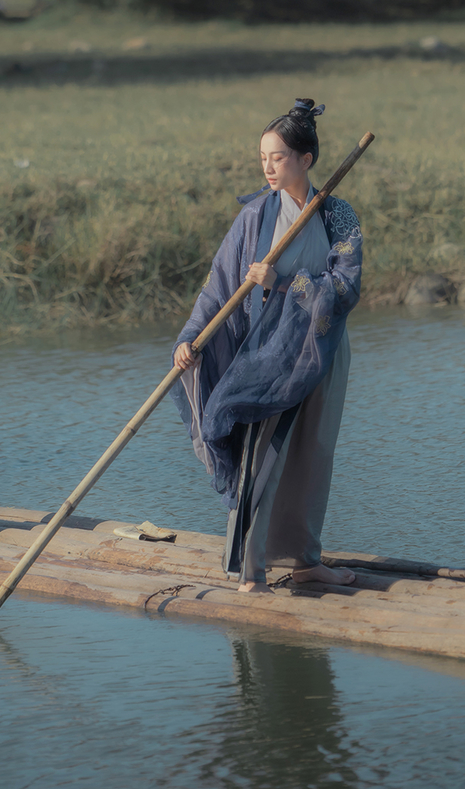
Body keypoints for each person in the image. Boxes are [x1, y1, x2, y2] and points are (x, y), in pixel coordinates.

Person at [172, 99, 362, 593]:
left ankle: (305, 560)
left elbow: (345, 291)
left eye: (277, 157)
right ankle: (251, 572)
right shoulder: (255, 217)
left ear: (306, 159)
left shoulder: (338, 216)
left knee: (313, 454)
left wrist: (286, 282)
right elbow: (218, 286)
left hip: (323, 351)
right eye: (263, 157)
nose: (267, 167)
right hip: (268, 356)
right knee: (262, 459)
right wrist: (192, 336)